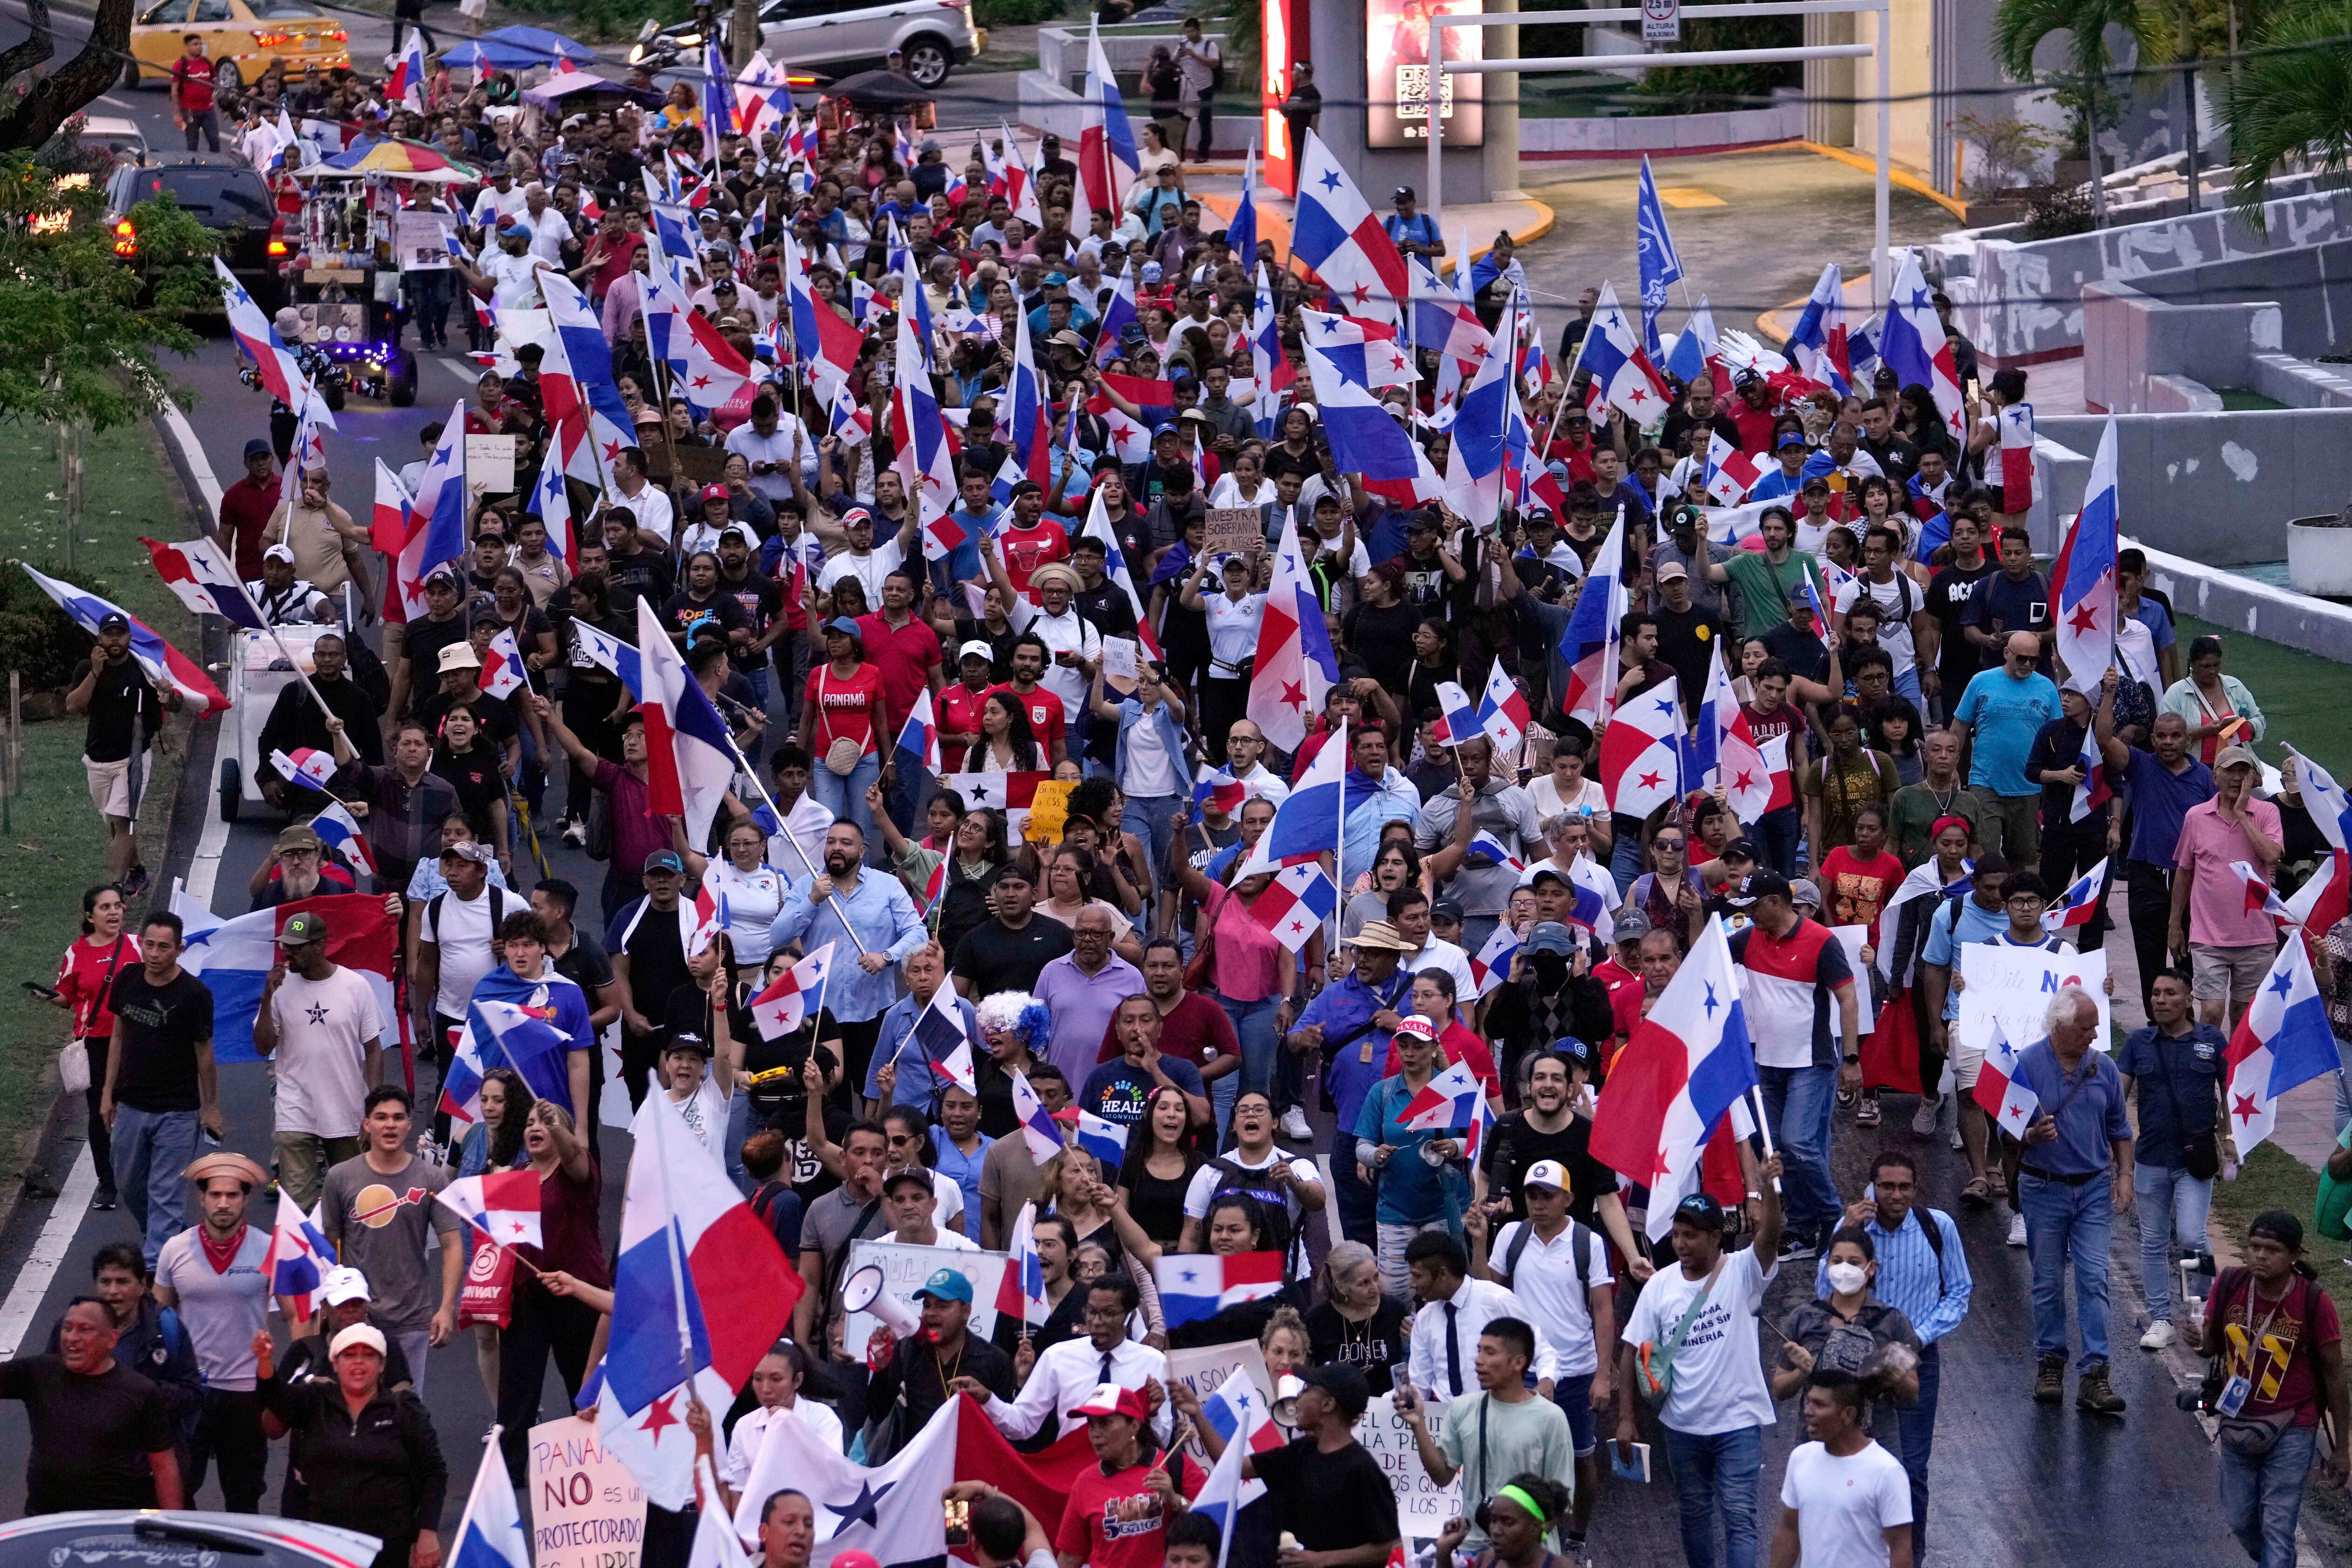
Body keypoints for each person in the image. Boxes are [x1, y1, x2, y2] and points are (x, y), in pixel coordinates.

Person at [1614, 1164, 1786, 1568]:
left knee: (1740, 1519)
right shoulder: (1659, 1286)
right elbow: (1630, 1351)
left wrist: (1768, 1191)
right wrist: (1626, 1418)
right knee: (1694, 1515)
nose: (1680, 1243)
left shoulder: (1743, 1270)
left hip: (1738, 1424)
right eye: (1676, 1234)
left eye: (1690, 1235)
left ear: (1715, 1236)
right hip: (1682, 1427)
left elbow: (1770, 1235)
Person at [1819, 1152, 1968, 1561]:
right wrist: (1846, 1230)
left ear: (1916, 1189)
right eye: (1887, 1186)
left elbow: (1959, 1291)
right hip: (1855, 1365)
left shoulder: (1939, 1227)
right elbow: (1823, 1293)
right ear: (1872, 1188)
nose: (1895, 1195)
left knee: (1912, 1469)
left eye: (1904, 1187)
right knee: (1855, 1463)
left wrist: (1917, 1339)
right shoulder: (1852, 1232)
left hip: (1916, 1362)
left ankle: (1909, 1559)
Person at [1473, 1158, 1615, 1547]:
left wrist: (1603, 1375)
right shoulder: (1512, 1236)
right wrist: (1480, 1242)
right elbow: (1487, 1292)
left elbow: (1604, 1309)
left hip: (1576, 1370)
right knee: (1516, 1456)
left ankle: (1577, 1538)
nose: (1538, 1203)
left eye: (1548, 1195)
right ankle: (1523, 1542)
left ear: (1567, 1198)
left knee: (1582, 1457)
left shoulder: (1588, 1242)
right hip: (1523, 1371)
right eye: (1532, 1194)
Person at [2008, 986, 2133, 1413]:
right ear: (2060, 1026)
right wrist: (2030, 1135)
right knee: (2047, 1280)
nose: (2094, 1035)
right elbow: (2005, 1131)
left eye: (2096, 1026)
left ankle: (2096, 1373)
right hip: (2043, 1188)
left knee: (2094, 1276)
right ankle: (2050, 1363)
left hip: (2094, 1189)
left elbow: (2120, 1129)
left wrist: (2125, 1176)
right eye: (2085, 1028)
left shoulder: (2105, 1068)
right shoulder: (2026, 1064)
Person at [2200, 1211, 2349, 1568]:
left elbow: (2335, 1376)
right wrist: (2197, 1339)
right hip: (2238, 1420)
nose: (2261, 1255)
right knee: (2240, 1519)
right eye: (2254, 1246)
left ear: (2295, 1255)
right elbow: (2209, 1348)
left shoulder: (2314, 1302)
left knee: (2278, 1527)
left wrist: (2342, 1448)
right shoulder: (2230, 1283)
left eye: (2273, 1249)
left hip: (2294, 1425)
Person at [1727, 873, 1859, 1261]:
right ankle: (1802, 1226)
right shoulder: (1750, 938)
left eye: (1754, 907)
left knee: (1799, 1142)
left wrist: (1852, 1059)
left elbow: (1848, 998)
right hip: (1767, 1062)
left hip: (1810, 1061)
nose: (1750, 915)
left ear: (1774, 902)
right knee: (1777, 1147)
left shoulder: (1822, 940)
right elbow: (1709, 956)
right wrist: (1694, 917)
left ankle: (1834, 1216)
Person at [253, 1324, 448, 1568]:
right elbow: (276, 1397)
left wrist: (427, 1532)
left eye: (369, 1355)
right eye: (350, 1355)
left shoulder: (405, 1409)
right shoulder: (316, 1400)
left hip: (387, 1545)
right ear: (335, 1363)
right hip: (324, 1541)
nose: (359, 1362)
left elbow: (434, 1472)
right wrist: (265, 1361)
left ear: (382, 1365)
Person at [769, 819, 928, 1098]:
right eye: (831, 842)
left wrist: (887, 957)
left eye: (846, 843)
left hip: (874, 1012)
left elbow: (918, 932)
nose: (837, 848)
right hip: (822, 1014)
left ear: (862, 851)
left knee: (876, 1097)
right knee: (828, 1097)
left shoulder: (888, 885)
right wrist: (812, 900)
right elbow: (778, 937)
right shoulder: (806, 886)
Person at [153, 1151, 274, 1513]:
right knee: (178, 1492)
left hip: (247, 1392)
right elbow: (157, 1319)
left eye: (232, 1195)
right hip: (191, 1391)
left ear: (246, 1199)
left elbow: (297, 1312)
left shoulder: (268, 1247)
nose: (223, 1203)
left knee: (244, 1497)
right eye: (215, 1194)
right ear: (201, 1197)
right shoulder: (175, 1250)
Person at [1400, 1311, 1577, 1556]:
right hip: (1474, 1549)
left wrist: (1524, 1545)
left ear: (1519, 1363)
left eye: (1490, 1352)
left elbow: (1560, 1503)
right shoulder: (1463, 1409)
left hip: (1532, 1554)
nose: (1478, 1360)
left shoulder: (1551, 1418)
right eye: (1479, 1350)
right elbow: (1441, 1477)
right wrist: (1418, 1425)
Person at [2117, 969, 2229, 1350]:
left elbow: (2231, 1090)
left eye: (2169, 993)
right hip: (2150, 1158)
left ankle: (2203, 1313)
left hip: (2194, 1160)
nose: (2160, 1000)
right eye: (2155, 993)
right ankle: (2160, 1319)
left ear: (2189, 1000)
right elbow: (2117, 1098)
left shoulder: (2211, 1040)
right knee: (2152, 1241)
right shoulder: (2139, 1042)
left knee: (2192, 1236)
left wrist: (2231, 1139)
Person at [320, 1087, 460, 1394]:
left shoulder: (432, 1178)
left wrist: (447, 1307)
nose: (390, 1125)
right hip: (356, 1316)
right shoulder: (340, 1178)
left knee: (406, 1409)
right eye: (381, 1117)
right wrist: (330, 1307)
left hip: (412, 1317)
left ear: (409, 1124)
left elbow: (452, 1243)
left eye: (398, 1118)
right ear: (367, 1124)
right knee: (355, 1405)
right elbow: (329, 1248)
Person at [496, 1099, 605, 1482]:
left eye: (545, 1122)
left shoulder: (578, 1170)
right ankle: (506, 1478)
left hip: (577, 1294)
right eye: (530, 1123)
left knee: (583, 1385)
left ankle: (601, 1470)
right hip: (528, 1295)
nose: (535, 1127)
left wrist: (558, 1125)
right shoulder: (515, 1175)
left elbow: (574, 1154)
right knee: (516, 1391)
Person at [102, 911, 218, 1268]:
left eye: (164, 947)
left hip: (178, 1112)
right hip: (131, 1105)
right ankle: (173, 1240)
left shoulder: (194, 995)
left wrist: (212, 1106)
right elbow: (118, 1036)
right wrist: (107, 1092)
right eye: (149, 945)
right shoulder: (127, 979)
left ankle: (158, 1272)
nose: (154, 954)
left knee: (165, 1194)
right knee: (129, 1184)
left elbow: (205, 1053)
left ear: (180, 949)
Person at [0, 1296, 184, 1513]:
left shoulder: (141, 1392)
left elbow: (164, 1467)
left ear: (112, 1340)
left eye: (85, 1330)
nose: (72, 1338)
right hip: (44, 1522)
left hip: (111, 1524)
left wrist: (172, 1524)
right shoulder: (38, 1373)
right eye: (68, 1328)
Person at [253, 910, 385, 1212]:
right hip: (294, 1109)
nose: (289, 953)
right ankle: (302, 1244)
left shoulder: (355, 986)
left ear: (320, 946)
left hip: (346, 1109)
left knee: (353, 1202)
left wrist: (375, 1105)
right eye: (286, 946)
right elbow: (263, 1047)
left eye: (297, 947)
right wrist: (266, 998)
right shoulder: (280, 988)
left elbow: (374, 1049)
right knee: (297, 1206)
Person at [952, 1274, 1172, 1445]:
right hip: (1073, 1476)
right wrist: (988, 1399)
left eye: (1108, 1313)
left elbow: (1162, 1440)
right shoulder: (1057, 1357)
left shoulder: (1154, 1363)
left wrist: (1152, 1415)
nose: (1097, 1322)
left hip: (1132, 1480)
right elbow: (1022, 1424)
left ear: (1130, 1316)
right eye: (1091, 1312)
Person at [2169, 745, 2284, 1030]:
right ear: (2215, 777)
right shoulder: (2196, 817)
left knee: (2244, 1018)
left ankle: (2233, 1063)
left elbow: (2272, 855)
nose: (2236, 778)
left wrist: (2242, 814)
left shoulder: (2268, 812)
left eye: (2243, 771)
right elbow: (2184, 872)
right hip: (2208, 936)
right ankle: (2209, 1060)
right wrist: (2174, 924)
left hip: (2257, 936)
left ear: (2253, 778)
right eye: (2230, 771)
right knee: (2211, 1011)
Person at [69, 611, 177, 889]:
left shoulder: (144, 669)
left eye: (120, 634)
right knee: (115, 823)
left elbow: (175, 706)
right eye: (109, 634)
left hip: (133, 758)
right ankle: (138, 870)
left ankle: (115, 888)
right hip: (97, 758)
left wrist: (169, 693)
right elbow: (73, 705)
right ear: (99, 638)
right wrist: (95, 671)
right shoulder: (87, 668)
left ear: (130, 638)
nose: (115, 639)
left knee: (123, 819)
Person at [1766, 1372, 1915, 1568]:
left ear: (1848, 1415)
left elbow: (1901, 1549)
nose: (1808, 1411)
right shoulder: (1801, 1458)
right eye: (1808, 1402)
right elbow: (1789, 1529)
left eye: (1819, 1405)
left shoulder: (1887, 1471)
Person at [1049, 1381, 1202, 1568]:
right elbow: (1070, 1558)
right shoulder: (1085, 1482)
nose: (1095, 1433)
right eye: (1091, 1424)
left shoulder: (1176, 1465)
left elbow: (1216, 1523)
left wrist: (1175, 1499)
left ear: (1134, 1426)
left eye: (1105, 1423)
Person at [864, 1267, 1019, 1446]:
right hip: (919, 1458)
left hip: (969, 1460)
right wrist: (883, 1368)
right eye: (927, 1305)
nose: (930, 1313)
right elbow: (877, 1414)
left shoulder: (995, 1360)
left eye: (943, 1306)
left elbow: (1010, 1430)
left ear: (966, 1312)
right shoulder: (908, 1349)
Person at [53, 884, 137, 1211]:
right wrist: (50, 997)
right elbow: (67, 997)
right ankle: (107, 1182)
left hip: (137, 1041)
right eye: (106, 907)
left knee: (137, 1109)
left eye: (118, 905)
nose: (114, 912)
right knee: (102, 1111)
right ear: (91, 916)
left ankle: (138, 1173)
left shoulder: (137, 946)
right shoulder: (76, 953)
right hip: (95, 1044)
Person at [1950, 631, 2062, 869]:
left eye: (2034, 660)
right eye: (2022, 658)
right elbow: (1959, 725)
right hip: (1985, 782)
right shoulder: (1981, 681)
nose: (2028, 665)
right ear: (2006, 653)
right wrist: (1952, 767)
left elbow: (2057, 735)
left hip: (2029, 786)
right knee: (1983, 856)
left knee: (2023, 860)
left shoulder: (2047, 687)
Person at [717, 1343, 842, 1507]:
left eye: (776, 1379)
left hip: (815, 1512)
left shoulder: (822, 1417)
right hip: (760, 1518)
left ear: (798, 1380)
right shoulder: (745, 1425)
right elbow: (739, 1490)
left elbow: (832, 1473)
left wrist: (792, 1426)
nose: (765, 1389)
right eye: (758, 1379)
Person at [2161, 634, 2266, 767]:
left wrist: (2243, 728)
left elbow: (2259, 719)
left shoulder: (2235, 686)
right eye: (2205, 666)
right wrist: (2203, 732)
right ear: (2191, 663)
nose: (2212, 671)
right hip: (2194, 769)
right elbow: (2165, 735)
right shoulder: (2176, 693)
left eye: (2216, 665)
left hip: (2236, 768)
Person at [1432, 1473, 1575, 1568]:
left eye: (1507, 1521)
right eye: (1493, 1520)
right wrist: (1444, 1551)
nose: (1495, 1531)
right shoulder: (1486, 1562)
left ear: (1535, 1527)